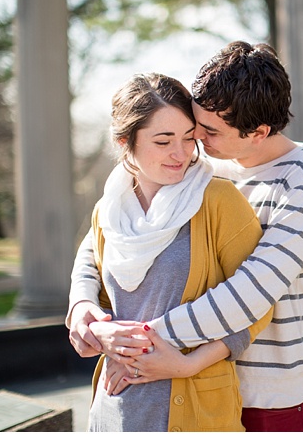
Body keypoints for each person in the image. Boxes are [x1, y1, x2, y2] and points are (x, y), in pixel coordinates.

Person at [68, 41, 303, 431]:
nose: (195, 143)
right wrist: (82, 306)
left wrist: (135, 344)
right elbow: (101, 236)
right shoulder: (200, 165)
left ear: (258, 132)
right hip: (188, 387)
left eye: (208, 132)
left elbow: (253, 289)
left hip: (268, 396)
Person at [74, 73, 272, 431]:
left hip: (195, 408)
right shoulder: (109, 210)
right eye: (163, 141)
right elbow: (101, 298)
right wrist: (101, 334)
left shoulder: (218, 200)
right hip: (117, 409)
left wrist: (188, 363)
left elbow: (258, 307)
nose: (180, 153)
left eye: (187, 138)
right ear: (125, 142)